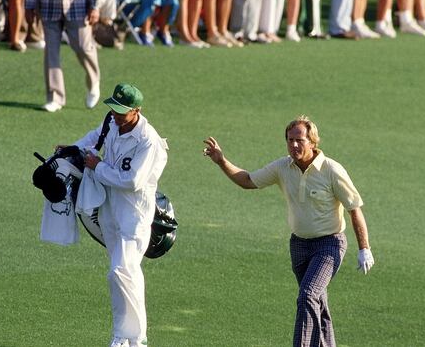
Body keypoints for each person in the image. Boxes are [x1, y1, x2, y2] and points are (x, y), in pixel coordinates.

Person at [202, 115, 375, 347]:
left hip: (329, 245)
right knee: (317, 301)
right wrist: (222, 161)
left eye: (300, 140)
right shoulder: (283, 167)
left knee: (308, 296)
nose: (294, 145)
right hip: (299, 245)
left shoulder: (332, 170)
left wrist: (364, 248)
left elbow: (355, 208)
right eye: (290, 140)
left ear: (313, 142)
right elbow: (248, 180)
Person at [70, 82, 169, 347]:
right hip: (110, 210)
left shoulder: (149, 141)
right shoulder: (112, 122)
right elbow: (94, 137)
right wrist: (71, 150)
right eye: (113, 108)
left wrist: (98, 166)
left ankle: (137, 338)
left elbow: (133, 181)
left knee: (121, 271)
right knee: (119, 275)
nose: (115, 114)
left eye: (121, 111)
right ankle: (122, 335)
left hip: (134, 214)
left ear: (137, 110)